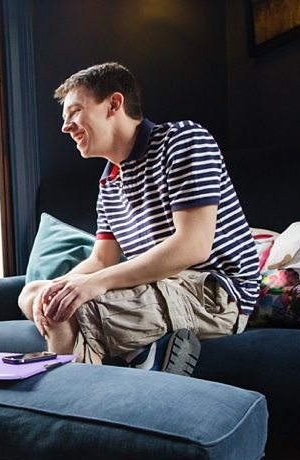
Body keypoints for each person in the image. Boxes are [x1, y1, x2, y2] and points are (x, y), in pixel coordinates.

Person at [18, 62, 259, 375]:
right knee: (34, 293)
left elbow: (193, 246)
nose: (66, 127)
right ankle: (144, 354)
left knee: (67, 310)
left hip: (213, 291)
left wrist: (91, 286)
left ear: (113, 104)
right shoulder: (109, 182)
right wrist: (61, 286)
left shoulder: (183, 141)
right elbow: (102, 260)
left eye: (75, 111)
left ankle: (80, 411)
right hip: (157, 284)